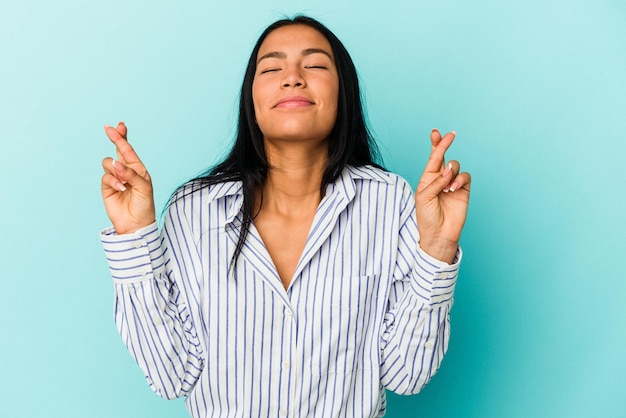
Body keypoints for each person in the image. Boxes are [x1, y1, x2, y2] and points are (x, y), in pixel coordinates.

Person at [100, 15, 470, 418]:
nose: (292, 77)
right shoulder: (195, 211)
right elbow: (171, 375)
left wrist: (437, 247)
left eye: (314, 65)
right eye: (272, 68)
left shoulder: (390, 202)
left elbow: (407, 375)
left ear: (343, 93)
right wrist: (135, 235)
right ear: (252, 101)